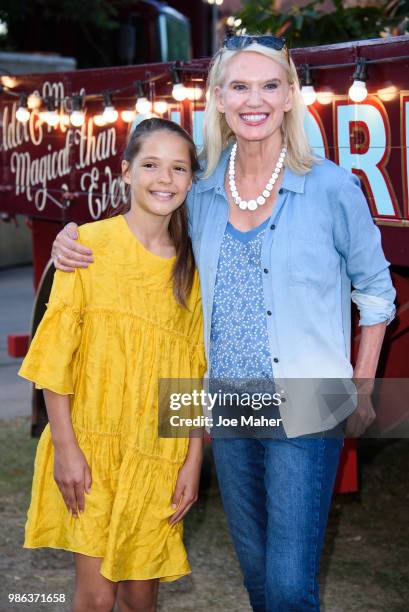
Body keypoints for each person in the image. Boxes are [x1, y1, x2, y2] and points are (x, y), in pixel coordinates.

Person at [51, 36, 396, 611]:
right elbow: (144, 223)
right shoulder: (203, 189)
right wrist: (75, 239)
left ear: (289, 96)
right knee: (258, 575)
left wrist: (361, 386)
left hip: (308, 402)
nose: (253, 99)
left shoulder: (332, 188)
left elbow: (376, 292)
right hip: (227, 403)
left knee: (289, 583)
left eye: (269, 85)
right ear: (218, 98)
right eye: (239, 86)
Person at [19, 118, 207, 612]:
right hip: (91, 447)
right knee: (97, 596)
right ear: (125, 172)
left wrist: (193, 459)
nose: (164, 179)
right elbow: (56, 356)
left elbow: (189, 374)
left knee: (140, 597)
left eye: (178, 168)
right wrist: (64, 448)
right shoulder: (87, 246)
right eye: (150, 165)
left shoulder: (191, 267)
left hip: (156, 456)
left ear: (190, 180)